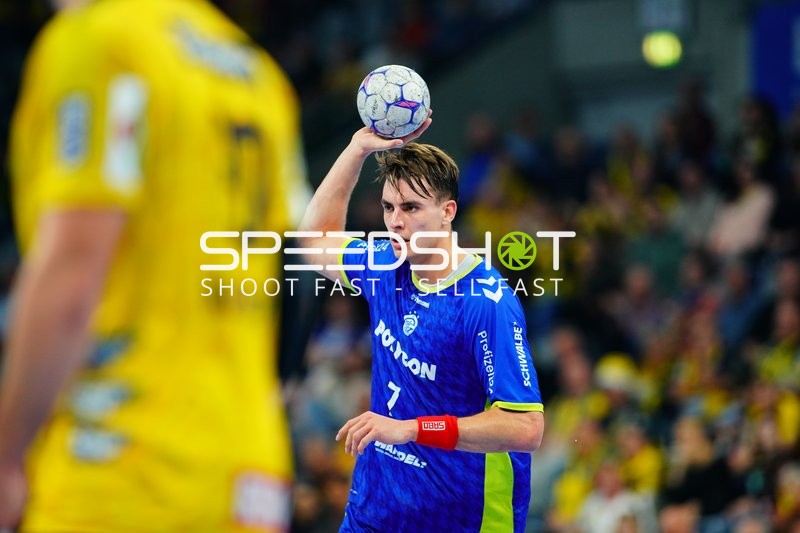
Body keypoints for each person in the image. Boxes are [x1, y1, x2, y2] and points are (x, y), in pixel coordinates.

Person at [0, 0, 308, 530]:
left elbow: (74, 269)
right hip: (249, 474)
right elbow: (299, 281)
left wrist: (6, 456)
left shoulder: (101, 44)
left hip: (119, 467)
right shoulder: (257, 73)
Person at [298, 122, 545, 532]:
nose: (395, 222)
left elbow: (525, 427)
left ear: (448, 212)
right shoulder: (384, 264)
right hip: (376, 508)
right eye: (388, 208)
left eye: (411, 208)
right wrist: (355, 150)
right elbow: (314, 240)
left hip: (462, 514)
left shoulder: (485, 302)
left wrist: (411, 429)